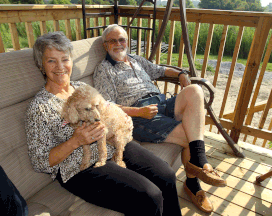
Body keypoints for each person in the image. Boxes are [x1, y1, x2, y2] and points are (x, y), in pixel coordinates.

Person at [25, 31, 182, 216]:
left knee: (166, 175)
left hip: (112, 142)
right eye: (51, 60)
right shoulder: (39, 107)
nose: (60, 66)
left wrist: (123, 117)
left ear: (71, 62)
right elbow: (40, 161)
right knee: (150, 196)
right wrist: (75, 141)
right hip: (80, 168)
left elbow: (107, 106)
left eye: (65, 59)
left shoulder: (82, 87)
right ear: (41, 65)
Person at [94, 24, 227, 213]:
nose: (118, 44)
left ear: (127, 42)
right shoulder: (104, 69)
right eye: (112, 41)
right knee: (192, 132)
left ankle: (198, 160)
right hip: (140, 115)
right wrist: (138, 112)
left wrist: (181, 74)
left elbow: (160, 70)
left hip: (162, 104)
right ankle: (193, 181)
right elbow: (107, 106)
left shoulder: (136, 59)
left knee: (195, 90)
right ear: (105, 45)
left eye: (122, 39)